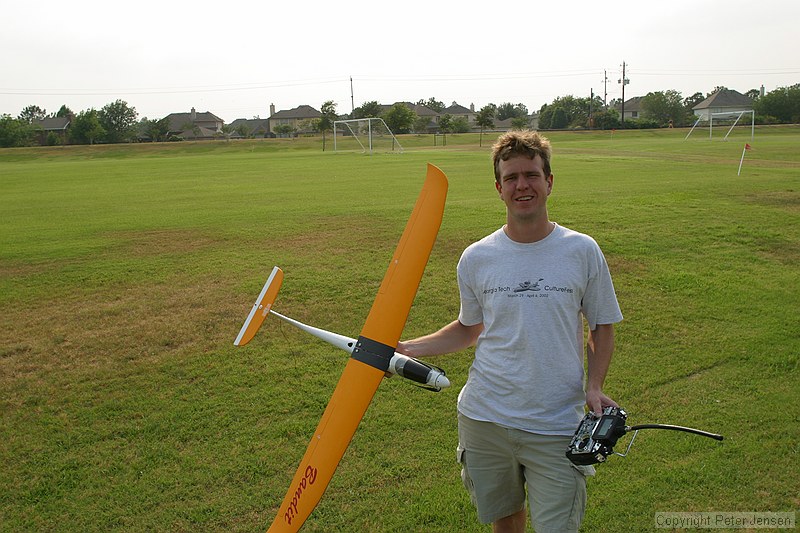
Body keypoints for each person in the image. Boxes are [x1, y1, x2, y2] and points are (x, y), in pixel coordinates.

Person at [397, 130, 623, 533]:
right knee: (506, 522)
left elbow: (602, 325)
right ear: (499, 188)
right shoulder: (477, 257)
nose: (523, 185)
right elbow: (469, 328)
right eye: (513, 177)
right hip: (484, 418)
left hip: (555, 424)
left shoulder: (581, 250)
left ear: (549, 182)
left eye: (532, 175)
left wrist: (595, 385)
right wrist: (405, 347)